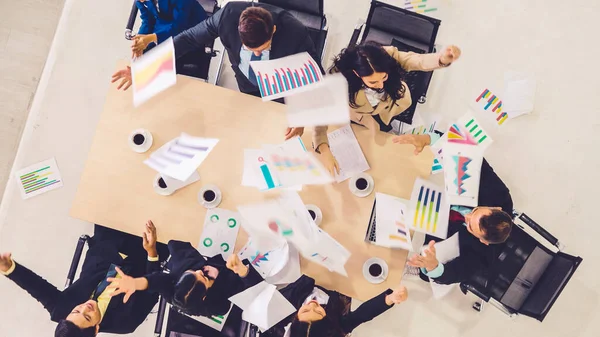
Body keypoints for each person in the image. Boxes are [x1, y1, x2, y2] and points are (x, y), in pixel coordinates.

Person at [112, 0, 321, 138]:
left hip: (280, 88)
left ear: (273, 30)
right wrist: (146, 69)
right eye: (251, 49)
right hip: (247, 84)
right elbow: (188, 39)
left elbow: (316, 79)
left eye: (263, 49)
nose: (256, 56)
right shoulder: (228, 15)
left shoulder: (296, 34)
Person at [312, 42, 461, 174]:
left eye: (384, 77)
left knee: (384, 131)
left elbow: (417, 60)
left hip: (391, 104)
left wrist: (441, 59)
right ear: (357, 74)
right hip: (361, 113)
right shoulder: (337, 80)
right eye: (373, 82)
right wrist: (324, 150)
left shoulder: (385, 56)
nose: (381, 85)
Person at [0, 221, 168, 336]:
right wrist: (152, 253)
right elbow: (154, 287)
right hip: (145, 252)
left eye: (76, 311)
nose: (85, 308)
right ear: (95, 330)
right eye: (87, 316)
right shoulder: (125, 322)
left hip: (107, 243)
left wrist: (9, 268)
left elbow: (35, 286)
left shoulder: (61, 309)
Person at [406, 158, 515, 285]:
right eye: (475, 212)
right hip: (451, 193)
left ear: (483, 241)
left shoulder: (483, 255)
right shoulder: (498, 194)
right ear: (495, 208)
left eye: (470, 225)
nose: (467, 216)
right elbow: (474, 159)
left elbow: (457, 272)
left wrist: (434, 267)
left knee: (426, 270)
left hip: (449, 226)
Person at [107, 239, 262, 317]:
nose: (202, 271)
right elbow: (255, 293)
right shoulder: (218, 303)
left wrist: (135, 283)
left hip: (213, 249)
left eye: (195, 273)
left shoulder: (179, 272)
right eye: (205, 277)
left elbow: (155, 281)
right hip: (250, 260)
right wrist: (242, 270)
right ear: (204, 296)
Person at [259, 275, 408, 337]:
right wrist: (390, 298)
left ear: (295, 318)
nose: (313, 305)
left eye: (305, 310)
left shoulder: (279, 321)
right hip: (338, 283)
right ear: (327, 320)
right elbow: (362, 314)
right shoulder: (337, 326)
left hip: (306, 277)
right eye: (318, 311)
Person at [131, 0, 208, 56]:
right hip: (165, 26)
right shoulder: (140, 1)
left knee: (161, 59)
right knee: (143, 53)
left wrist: (153, 37)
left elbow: (179, 26)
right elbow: (147, 21)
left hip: (191, 29)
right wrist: (139, 39)